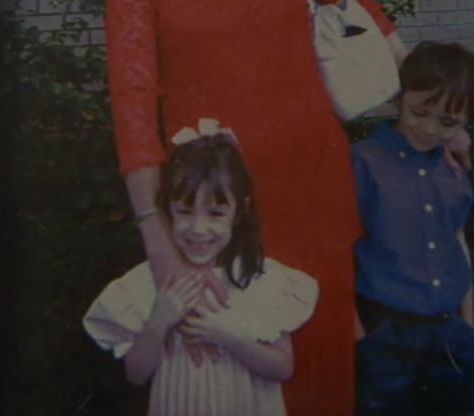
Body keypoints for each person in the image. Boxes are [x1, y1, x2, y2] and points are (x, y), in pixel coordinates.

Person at [103, 0, 471, 416]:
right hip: (215, 207)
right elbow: (133, 95)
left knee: (322, 363)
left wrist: (446, 118)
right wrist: (156, 235)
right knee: (232, 378)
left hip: (312, 185)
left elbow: (366, 14)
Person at [82, 121, 319, 416]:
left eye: (215, 213)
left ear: (239, 212)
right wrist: (158, 321)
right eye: (184, 211)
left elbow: (282, 367)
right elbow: (136, 374)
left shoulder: (260, 279)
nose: (198, 228)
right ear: (167, 209)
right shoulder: (152, 281)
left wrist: (232, 337)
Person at [352, 41, 474, 416]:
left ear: (466, 121)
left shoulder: (453, 169)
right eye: (419, 112)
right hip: (384, 334)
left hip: (450, 334)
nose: (429, 129)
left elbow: (457, 238)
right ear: (400, 98)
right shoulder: (361, 162)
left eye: (448, 122)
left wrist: (468, 324)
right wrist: (360, 336)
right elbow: (337, 251)